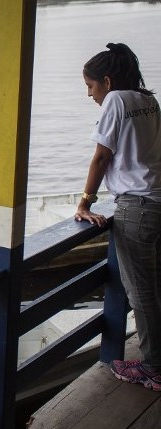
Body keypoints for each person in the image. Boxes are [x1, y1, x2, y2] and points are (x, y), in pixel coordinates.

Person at [74, 43, 161, 391]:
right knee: (155, 287)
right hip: (157, 201)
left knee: (141, 292)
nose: (89, 94)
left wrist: (85, 203)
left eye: (90, 86)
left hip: (136, 207)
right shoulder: (149, 100)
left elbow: (101, 157)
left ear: (106, 82)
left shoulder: (116, 101)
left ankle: (153, 367)